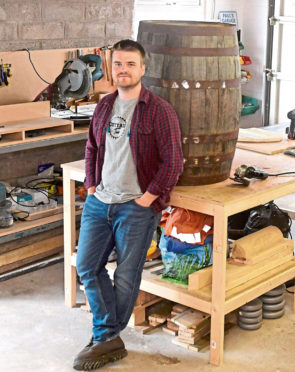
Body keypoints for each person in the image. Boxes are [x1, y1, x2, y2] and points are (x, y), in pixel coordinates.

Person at [73, 39, 183, 370]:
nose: (123, 70)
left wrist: (149, 197)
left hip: (135, 207)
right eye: (118, 64)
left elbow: (174, 161)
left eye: (130, 64)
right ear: (111, 68)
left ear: (143, 69)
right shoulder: (105, 105)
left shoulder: (159, 110)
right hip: (99, 202)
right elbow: (92, 146)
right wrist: (90, 185)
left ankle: (105, 336)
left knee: (126, 273)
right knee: (86, 267)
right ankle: (108, 336)